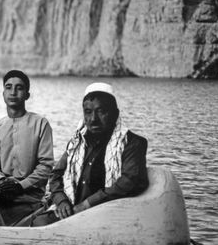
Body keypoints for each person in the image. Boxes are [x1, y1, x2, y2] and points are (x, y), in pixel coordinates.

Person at [19, 82, 148, 227]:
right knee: (32, 222)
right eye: (88, 112)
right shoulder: (77, 142)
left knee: (39, 224)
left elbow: (128, 182)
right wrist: (61, 201)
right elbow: (55, 175)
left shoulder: (132, 143)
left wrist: (87, 204)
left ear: (115, 114)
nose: (93, 119)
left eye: (101, 111)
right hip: (71, 211)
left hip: (107, 217)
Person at [0, 70, 54, 226]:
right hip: (3, 192)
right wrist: (2, 181)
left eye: (19, 88)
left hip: (30, 195)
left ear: (27, 95)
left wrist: (21, 186)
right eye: (8, 87)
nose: (13, 92)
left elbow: (46, 166)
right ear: (3, 94)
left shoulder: (41, 124)